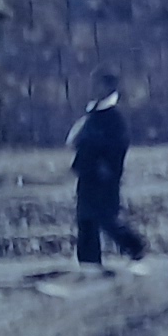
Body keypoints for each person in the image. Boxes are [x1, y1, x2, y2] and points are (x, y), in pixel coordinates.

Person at [67, 70, 150, 268]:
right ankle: (89, 265)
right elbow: (80, 142)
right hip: (88, 176)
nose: (94, 88)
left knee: (106, 219)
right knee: (86, 221)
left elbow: (117, 146)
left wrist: (106, 167)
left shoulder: (113, 117)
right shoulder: (93, 114)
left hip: (103, 179)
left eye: (98, 84)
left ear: (109, 87)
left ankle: (136, 247)